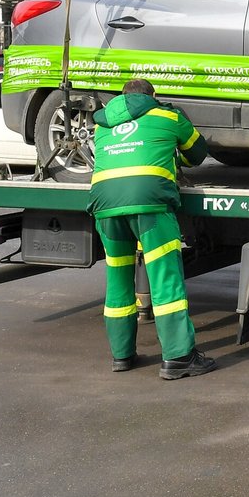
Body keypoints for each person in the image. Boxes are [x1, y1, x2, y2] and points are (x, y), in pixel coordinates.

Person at [89, 78, 216, 379]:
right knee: (165, 280)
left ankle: (122, 355)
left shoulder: (102, 125)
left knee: (118, 278)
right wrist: (175, 153)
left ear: (121, 99)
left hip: (104, 204)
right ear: (152, 96)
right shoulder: (167, 115)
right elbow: (197, 154)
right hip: (149, 205)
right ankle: (179, 358)